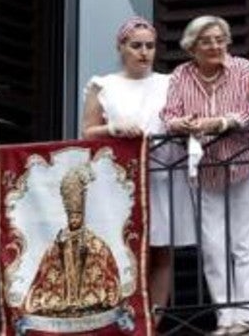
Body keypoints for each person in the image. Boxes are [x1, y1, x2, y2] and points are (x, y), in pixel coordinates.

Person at [82, 16, 194, 315]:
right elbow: (88, 132)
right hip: (121, 179)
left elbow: (182, 120)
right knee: (128, 250)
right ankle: (126, 319)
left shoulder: (170, 84)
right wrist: (114, 128)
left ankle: (152, 323)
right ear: (121, 48)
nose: (144, 52)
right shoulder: (103, 85)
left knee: (162, 253)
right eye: (136, 46)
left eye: (150, 46)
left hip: (164, 173)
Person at [161, 16, 249, 336]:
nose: (215, 46)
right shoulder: (181, 75)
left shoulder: (244, 69)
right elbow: (169, 116)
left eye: (221, 39)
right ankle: (225, 317)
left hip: (245, 162)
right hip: (204, 168)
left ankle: (247, 316)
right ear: (192, 47)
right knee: (214, 246)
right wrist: (183, 125)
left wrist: (217, 123)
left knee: (244, 243)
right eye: (206, 41)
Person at [25, 165, 122, 317]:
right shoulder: (59, 240)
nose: (74, 219)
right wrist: (61, 249)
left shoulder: (95, 243)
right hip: (62, 296)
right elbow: (45, 270)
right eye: (71, 216)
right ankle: (66, 303)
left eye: (77, 215)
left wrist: (87, 251)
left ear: (82, 216)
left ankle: (85, 302)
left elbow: (107, 268)